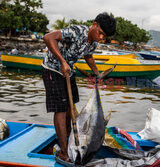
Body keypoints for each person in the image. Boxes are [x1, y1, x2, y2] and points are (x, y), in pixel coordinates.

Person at [42, 12, 116, 162]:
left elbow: (88, 55)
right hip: (52, 69)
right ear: (94, 25)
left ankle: (68, 139)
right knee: (60, 109)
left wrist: (96, 73)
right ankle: (63, 152)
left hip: (68, 71)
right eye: (100, 33)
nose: (101, 38)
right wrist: (62, 61)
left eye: (104, 36)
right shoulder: (76, 32)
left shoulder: (93, 41)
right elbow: (48, 37)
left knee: (70, 106)